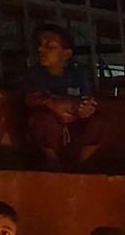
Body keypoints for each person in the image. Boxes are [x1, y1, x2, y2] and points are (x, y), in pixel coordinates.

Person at [22, 23, 103, 166]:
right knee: (43, 119)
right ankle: (51, 163)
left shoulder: (78, 75)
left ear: (66, 54)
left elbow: (86, 101)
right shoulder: (33, 74)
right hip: (46, 137)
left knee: (99, 121)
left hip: (73, 131)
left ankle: (81, 165)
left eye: (50, 46)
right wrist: (67, 106)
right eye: (40, 45)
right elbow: (34, 100)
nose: (41, 49)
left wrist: (85, 109)